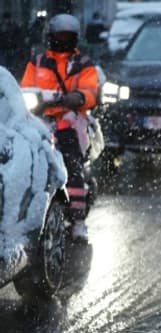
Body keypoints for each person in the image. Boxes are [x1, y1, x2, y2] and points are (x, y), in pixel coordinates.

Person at [21, 14, 99, 242]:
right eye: (59, 36)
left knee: (72, 165)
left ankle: (78, 222)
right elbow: (24, 88)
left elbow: (90, 92)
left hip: (68, 121)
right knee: (22, 161)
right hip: (38, 121)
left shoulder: (83, 64)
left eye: (67, 36)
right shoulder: (37, 62)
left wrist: (75, 97)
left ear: (75, 39)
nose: (62, 40)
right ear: (50, 36)